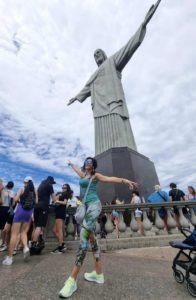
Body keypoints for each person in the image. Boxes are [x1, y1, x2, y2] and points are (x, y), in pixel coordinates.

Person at [67, 1, 162, 155]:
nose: (96, 55)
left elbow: (129, 47)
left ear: (103, 54)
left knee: (119, 129)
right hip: (99, 108)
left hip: (112, 103)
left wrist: (143, 24)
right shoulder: (93, 75)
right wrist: (76, 97)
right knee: (103, 136)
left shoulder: (112, 62)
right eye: (94, 55)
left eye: (98, 52)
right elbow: (86, 88)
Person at [58, 157, 137, 298]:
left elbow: (110, 179)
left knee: (83, 238)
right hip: (85, 207)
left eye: (91, 162)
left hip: (94, 205)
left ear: (93, 165)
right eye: (86, 161)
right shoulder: (84, 175)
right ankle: (99, 274)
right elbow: (77, 170)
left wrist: (124, 180)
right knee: (92, 239)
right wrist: (71, 164)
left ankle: (72, 280)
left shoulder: (96, 175)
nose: (88, 163)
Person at [2, 176, 37, 266]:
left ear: (25, 182)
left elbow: (16, 199)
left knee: (14, 234)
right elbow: (36, 202)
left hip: (20, 211)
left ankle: (10, 258)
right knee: (23, 232)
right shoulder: (35, 191)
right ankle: (25, 247)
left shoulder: (22, 188)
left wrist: (18, 200)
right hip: (29, 213)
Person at [31, 176, 56, 252]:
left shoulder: (41, 185)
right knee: (39, 226)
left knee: (36, 227)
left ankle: (39, 239)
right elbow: (53, 198)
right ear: (51, 181)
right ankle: (33, 245)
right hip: (43, 206)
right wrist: (56, 201)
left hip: (36, 206)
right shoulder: (49, 185)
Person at [51, 184, 72, 254]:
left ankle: (60, 247)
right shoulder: (61, 194)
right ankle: (62, 244)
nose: (63, 189)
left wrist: (57, 201)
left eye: (65, 188)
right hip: (58, 212)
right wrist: (56, 199)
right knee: (54, 230)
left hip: (61, 212)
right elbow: (54, 200)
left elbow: (65, 203)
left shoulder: (66, 194)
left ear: (67, 189)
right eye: (62, 187)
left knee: (59, 230)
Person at [0, 181, 15, 252]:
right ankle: (7, 243)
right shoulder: (13, 193)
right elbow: (13, 203)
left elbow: (2, 201)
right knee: (8, 227)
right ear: (12, 186)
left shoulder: (3, 191)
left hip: (2, 209)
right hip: (9, 210)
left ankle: (2, 243)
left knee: (2, 227)